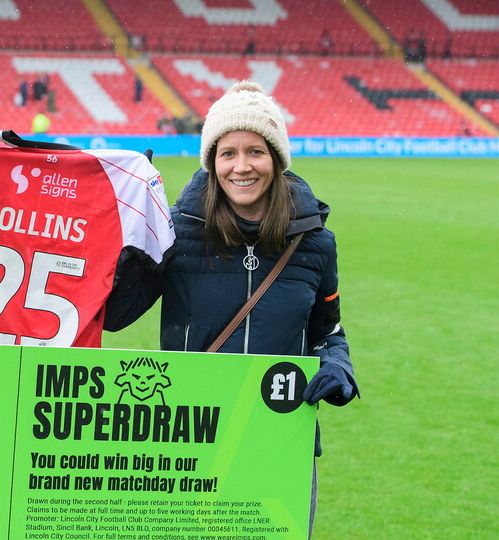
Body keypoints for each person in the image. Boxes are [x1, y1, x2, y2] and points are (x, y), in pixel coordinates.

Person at [105, 81, 359, 538]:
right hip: (186, 448)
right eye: (228, 153)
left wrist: (339, 367)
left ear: (277, 160)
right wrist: (133, 237)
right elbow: (114, 315)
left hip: (280, 442)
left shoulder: (316, 243)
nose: (242, 167)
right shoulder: (176, 234)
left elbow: (328, 331)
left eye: (256, 152)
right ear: (212, 162)